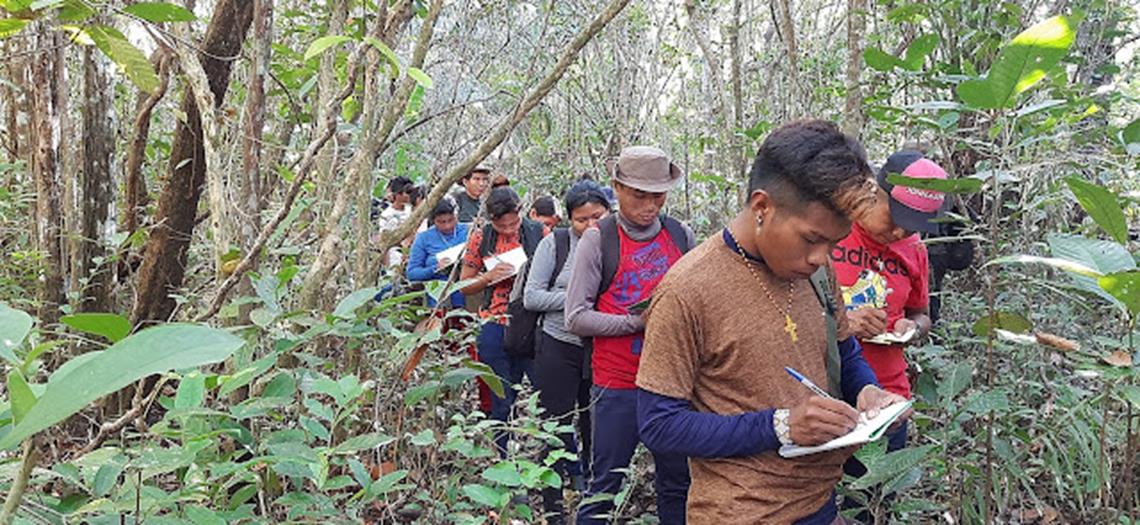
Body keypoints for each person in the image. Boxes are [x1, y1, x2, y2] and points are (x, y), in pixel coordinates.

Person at [634, 120, 909, 524]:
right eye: (811, 239)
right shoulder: (686, 290)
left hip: (820, 503)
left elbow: (844, 350)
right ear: (762, 207)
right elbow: (658, 425)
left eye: (834, 243)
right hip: (741, 513)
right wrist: (780, 426)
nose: (820, 257)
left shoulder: (818, 273)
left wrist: (867, 389)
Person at [564, 146, 697, 525]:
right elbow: (576, 317)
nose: (650, 205)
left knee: (678, 482)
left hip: (673, 383)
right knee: (605, 485)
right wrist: (636, 323)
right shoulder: (598, 240)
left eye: (658, 195)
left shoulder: (679, 235)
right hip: (618, 383)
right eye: (640, 195)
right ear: (618, 188)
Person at [523, 181, 611, 523]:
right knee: (555, 428)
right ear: (568, 219)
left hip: (602, 348)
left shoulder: (618, 243)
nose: (590, 225)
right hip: (558, 346)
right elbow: (533, 296)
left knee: (598, 429)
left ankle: (595, 505)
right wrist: (579, 300)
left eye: (597, 217)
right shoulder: (555, 244)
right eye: (581, 219)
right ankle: (554, 509)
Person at [459, 187, 548, 452]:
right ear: (491, 220)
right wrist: (488, 277)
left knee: (544, 390)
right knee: (501, 393)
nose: (509, 230)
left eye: (513, 223)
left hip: (532, 322)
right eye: (502, 225)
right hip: (494, 321)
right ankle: (503, 452)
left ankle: (548, 452)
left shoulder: (540, 233)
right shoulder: (481, 238)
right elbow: (464, 285)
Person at [406, 196, 470, 309]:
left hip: (467, 288)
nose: (447, 226)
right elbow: (412, 273)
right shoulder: (424, 238)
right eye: (441, 222)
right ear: (433, 221)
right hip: (438, 294)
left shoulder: (467, 231)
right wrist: (435, 268)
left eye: (451, 220)